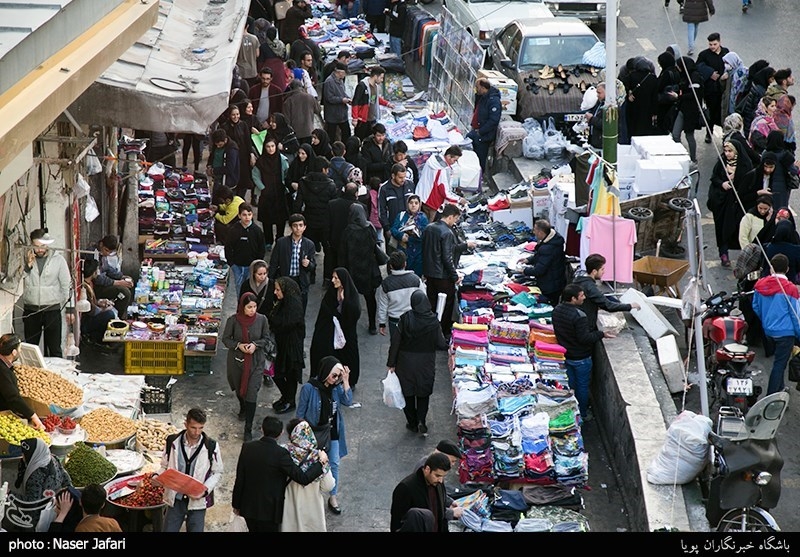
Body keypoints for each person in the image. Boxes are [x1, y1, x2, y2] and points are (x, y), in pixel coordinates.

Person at [232, 415, 328, 532]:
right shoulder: (281, 454)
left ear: (262, 429)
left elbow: (240, 479)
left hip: (248, 508)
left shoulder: (247, 448)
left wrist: (236, 504)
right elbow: (302, 478)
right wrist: (321, 463)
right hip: (270, 512)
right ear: (280, 433)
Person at [295, 356, 353, 515]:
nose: (336, 379)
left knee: (334, 463)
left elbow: (348, 401)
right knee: (312, 464)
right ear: (325, 372)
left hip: (332, 431)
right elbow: (300, 414)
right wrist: (301, 436)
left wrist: (345, 381)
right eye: (334, 375)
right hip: (313, 433)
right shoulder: (309, 388)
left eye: (338, 376)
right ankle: (312, 496)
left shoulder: (336, 388)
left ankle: (333, 497)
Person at [387, 290, 447, 435]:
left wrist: (391, 363)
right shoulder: (433, 321)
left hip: (405, 362)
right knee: (423, 393)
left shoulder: (405, 319)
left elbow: (395, 342)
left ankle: (412, 422)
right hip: (425, 363)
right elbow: (440, 343)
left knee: (407, 393)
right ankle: (421, 420)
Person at [552, 284, 614, 421]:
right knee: (582, 387)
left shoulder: (557, 310)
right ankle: (583, 414)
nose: (584, 298)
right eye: (581, 296)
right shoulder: (579, 316)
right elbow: (584, 338)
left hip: (565, 355)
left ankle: (571, 411)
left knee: (571, 385)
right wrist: (601, 334)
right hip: (580, 357)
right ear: (573, 299)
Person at [160, 408, 223, 532]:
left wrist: (204, 491)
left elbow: (217, 471)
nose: (197, 432)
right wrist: (157, 476)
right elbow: (164, 466)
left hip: (197, 501)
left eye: (201, 428)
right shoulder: (172, 442)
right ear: (186, 424)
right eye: (193, 427)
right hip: (176, 499)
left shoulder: (211, 446)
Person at [222, 292, 272, 441]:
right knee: (239, 389)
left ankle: (248, 428)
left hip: (256, 361)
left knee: (251, 392)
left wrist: (255, 345)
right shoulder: (233, 321)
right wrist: (239, 345)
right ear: (242, 307)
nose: (252, 310)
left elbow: (266, 338)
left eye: (255, 306)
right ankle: (243, 406)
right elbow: (225, 339)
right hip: (237, 361)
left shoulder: (262, 320)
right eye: (249, 307)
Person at [752, 254, 800, 395]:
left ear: (771, 268)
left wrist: (766, 319)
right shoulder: (790, 289)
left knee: (779, 361)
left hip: (768, 330)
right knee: (780, 364)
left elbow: (755, 306)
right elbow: (795, 315)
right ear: (787, 269)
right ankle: (772, 396)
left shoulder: (760, 285)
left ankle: (780, 388)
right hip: (785, 333)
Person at [21, 229, 70, 358]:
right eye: (36, 247)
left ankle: (57, 376)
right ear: (31, 245)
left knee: (54, 349)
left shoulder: (58, 260)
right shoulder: (25, 259)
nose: (40, 250)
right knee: (31, 349)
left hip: (51, 309)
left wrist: (70, 308)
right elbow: (17, 282)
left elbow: (66, 285)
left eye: (43, 246)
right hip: (31, 310)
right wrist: (28, 266)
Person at [281, 418, 336, 531]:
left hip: (289, 510)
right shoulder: (319, 457)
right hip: (312, 512)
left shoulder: (283, 452)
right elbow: (328, 486)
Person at [309, 268, 361, 386]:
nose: (333, 280)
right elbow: (326, 310)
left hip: (346, 332)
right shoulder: (331, 293)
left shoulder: (351, 295)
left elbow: (352, 315)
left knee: (348, 355)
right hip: (330, 331)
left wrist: (344, 301)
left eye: (336, 278)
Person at [707, 139, 755, 266]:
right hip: (723, 203)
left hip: (739, 203)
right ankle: (723, 254)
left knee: (740, 229)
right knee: (722, 228)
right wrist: (722, 183)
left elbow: (749, 182)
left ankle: (743, 255)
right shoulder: (721, 163)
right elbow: (714, 178)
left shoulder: (745, 164)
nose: (727, 154)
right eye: (726, 151)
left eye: (730, 151)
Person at [339, 203, 384, 335]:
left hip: (352, 271)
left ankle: (348, 323)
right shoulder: (369, 228)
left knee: (350, 299)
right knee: (370, 299)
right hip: (368, 271)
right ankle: (372, 325)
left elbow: (342, 254)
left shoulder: (347, 232)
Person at [390, 452, 460, 532]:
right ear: (427, 469)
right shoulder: (406, 488)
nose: (440, 480)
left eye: (443, 476)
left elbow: (440, 515)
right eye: (437, 475)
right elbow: (397, 523)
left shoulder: (438, 483)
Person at [295, 156, 338, 282]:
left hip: (309, 221)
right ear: (324, 169)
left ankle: (310, 274)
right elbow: (333, 205)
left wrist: (298, 219)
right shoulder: (330, 185)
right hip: (325, 223)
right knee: (328, 251)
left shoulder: (304, 182)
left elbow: (298, 203)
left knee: (308, 249)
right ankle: (327, 277)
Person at [15, 438, 72, 529]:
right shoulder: (53, 458)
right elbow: (66, 478)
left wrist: (10, 494)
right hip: (53, 506)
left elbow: (31, 502)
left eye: (25, 454)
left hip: (35, 517)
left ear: (33, 455)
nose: (23, 456)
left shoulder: (36, 475)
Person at [268, 277, 306, 414]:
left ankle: (290, 401)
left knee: (289, 374)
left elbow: (286, 324)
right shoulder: (282, 303)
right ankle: (286, 397)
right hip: (282, 344)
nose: (275, 292)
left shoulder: (293, 306)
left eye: (278, 289)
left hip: (291, 347)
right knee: (277, 373)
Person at [572, 254, 640, 331]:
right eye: (602, 269)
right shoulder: (590, 287)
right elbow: (608, 306)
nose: (604, 272)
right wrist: (630, 306)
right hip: (585, 326)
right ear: (594, 271)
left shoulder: (578, 281)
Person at [268, 213, 318, 313]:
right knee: (283, 309)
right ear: (291, 227)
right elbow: (273, 263)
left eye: (300, 225)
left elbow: (313, 266)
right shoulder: (281, 243)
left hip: (300, 281)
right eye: (295, 226)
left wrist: (308, 264)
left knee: (299, 310)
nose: (298, 228)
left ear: (304, 227)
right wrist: (270, 281)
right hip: (285, 279)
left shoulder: (309, 244)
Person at [518, 219, 567, 306]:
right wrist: (528, 260)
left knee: (549, 307)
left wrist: (524, 271)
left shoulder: (548, 248)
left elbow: (539, 270)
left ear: (540, 232)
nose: (533, 232)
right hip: (556, 281)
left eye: (534, 230)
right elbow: (541, 256)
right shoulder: (552, 239)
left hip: (550, 286)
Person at [378, 251, 426, 338]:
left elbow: (383, 306)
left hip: (394, 320)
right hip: (413, 319)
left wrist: (382, 323)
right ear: (405, 264)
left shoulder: (386, 284)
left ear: (391, 266)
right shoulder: (416, 280)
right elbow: (423, 299)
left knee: (395, 345)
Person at [0, 335, 44, 430]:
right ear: (14, 352)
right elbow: (13, 397)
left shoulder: (5, 365)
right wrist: (33, 416)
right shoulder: (2, 370)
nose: (20, 351)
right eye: (19, 349)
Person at [253, 135, 290, 248]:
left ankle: (280, 239)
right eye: (268, 146)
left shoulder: (282, 160)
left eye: (273, 146)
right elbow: (255, 176)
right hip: (266, 194)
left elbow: (287, 173)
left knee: (281, 219)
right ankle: (268, 241)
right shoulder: (260, 161)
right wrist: (263, 188)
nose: (271, 149)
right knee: (266, 219)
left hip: (280, 193)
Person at [416, 145, 467, 221]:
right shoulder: (442, 171)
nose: (455, 163)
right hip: (432, 202)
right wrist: (459, 199)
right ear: (449, 157)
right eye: (455, 160)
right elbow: (445, 192)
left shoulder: (432, 160)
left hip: (421, 196)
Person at [224, 202, 266, 294]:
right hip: (237, 266)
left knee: (251, 290)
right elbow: (228, 247)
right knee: (239, 289)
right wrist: (232, 264)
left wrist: (257, 264)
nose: (247, 217)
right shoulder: (233, 230)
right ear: (239, 215)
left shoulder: (257, 231)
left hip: (252, 267)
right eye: (244, 215)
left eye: (249, 214)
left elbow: (261, 248)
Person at [696, 32, 729, 143]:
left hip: (723, 89)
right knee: (711, 111)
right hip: (711, 90)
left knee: (723, 112)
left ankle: (726, 134)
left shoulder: (725, 52)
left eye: (714, 44)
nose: (712, 47)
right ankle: (709, 133)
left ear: (719, 42)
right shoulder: (704, 55)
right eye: (710, 44)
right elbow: (698, 67)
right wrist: (710, 73)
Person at [221, 104, 257, 200]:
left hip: (243, 156)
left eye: (237, 114)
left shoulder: (243, 125)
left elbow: (247, 140)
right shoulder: (225, 127)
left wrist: (251, 154)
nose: (236, 117)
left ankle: (241, 199)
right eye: (233, 115)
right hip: (232, 157)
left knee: (244, 179)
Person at [672, 56, 704, 163]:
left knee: (689, 135)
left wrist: (679, 96)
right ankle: (681, 155)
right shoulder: (684, 76)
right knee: (675, 134)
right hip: (682, 109)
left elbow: (694, 94)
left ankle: (693, 159)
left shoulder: (694, 77)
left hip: (691, 111)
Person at [92, 235, 133, 319]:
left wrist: (122, 277)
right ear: (101, 244)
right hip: (97, 287)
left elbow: (108, 269)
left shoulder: (103, 255)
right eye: (106, 250)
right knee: (124, 292)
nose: (107, 254)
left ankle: (119, 313)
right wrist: (117, 283)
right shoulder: (93, 253)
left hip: (105, 282)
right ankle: (118, 318)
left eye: (109, 252)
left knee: (128, 285)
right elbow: (97, 278)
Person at [465, 78, 501, 173]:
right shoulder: (483, 97)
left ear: (483, 87)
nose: (476, 89)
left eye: (478, 87)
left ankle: (479, 177)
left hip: (484, 135)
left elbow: (493, 120)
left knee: (480, 159)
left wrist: (481, 132)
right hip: (477, 131)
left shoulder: (494, 101)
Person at [78, 259, 117, 345]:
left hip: (90, 316)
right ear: (94, 272)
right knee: (110, 314)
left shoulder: (90, 283)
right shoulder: (84, 287)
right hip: (85, 322)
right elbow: (91, 311)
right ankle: (99, 340)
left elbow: (93, 301)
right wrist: (105, 309)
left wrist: (100, 302)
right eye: (97, 270)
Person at [378, 164, 416, 249]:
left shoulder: (409, 184)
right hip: (393, 228)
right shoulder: (384, 189)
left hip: (409, 227)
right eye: (400, 177)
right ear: (393, 176)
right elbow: (381, 210)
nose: (403, 180)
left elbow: (415, 204)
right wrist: (387, 228)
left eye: (404, 177)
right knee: (394, 257)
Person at [390, 194, 428, 277]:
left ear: (419, 205)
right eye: (411, 203)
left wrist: (409, 239)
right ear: (407, 204)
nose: (413, 205)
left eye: (416, 203)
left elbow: (424, 236)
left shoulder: (423, 218)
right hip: (402, 253)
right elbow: (393, 229)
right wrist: (401, 235)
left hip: (417, 255)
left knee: (415, 278)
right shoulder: (401, 215)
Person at [352, 66, 394, 140]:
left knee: (370, 140)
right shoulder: (362, 86)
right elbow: (355, 102)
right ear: (375, 76)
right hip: (362, 120)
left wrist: (387, 104)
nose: (382, 80)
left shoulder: (375, 87)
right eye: (381, 77)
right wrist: (355, 118)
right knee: (360, 139)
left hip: (371, 119)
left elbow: (374, 99)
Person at [327, 182, 359, 273]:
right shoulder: (360, 207)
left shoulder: (332, 204)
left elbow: (327, 224)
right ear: (356, 193)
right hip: (353, 242)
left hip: (335, 240)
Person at [762, 129, 797, 211]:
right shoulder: (785, 155)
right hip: (782, 187)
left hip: (766, 185)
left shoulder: (765, 154)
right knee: (780, 210)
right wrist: (797, 167)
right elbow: (793, 171)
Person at [283, 79, 322, 148]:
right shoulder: (310, 97)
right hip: (308, 131)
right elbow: (318, 110)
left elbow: (286, 121)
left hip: (295, 134)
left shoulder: (288, 101)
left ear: (291, 88)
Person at [239, 259, 274, 332]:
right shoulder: (246, 285)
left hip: (265, 321)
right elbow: (241, 302)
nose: (263, 277)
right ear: (253, 273)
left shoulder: (271, 285)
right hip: (249, 320)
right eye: (259, 274)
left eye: (265, 273)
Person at [766, 68, 795, 153]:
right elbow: (783, 121)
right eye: (790, 77)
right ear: (784, 81)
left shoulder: (773, 92)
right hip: (781, 138)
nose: (792, 78)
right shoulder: (782, 98)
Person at [323, 63, 352, 143]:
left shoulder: (341, 81)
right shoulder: (329, 81)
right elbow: (329, 98)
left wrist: (348, 99)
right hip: (332, 115)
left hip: (342, 114)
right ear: (340, 72)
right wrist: (342, 100)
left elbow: (342, 93)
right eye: (345, 73)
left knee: (347, 134)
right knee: (331, 136)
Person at [258, 27, 289, 94]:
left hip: (267, 71)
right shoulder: (281, 45)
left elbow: (260, 62)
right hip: (279, 70)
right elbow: (285, 57)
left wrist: (260, 73)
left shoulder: (263, 46)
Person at [584, 82, 606, 150]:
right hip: (595, 141)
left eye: (599, 93)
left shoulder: (611, 107)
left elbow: (606, 125)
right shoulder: (600, 103)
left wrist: (591, 119)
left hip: (602, 144)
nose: (597, 95)